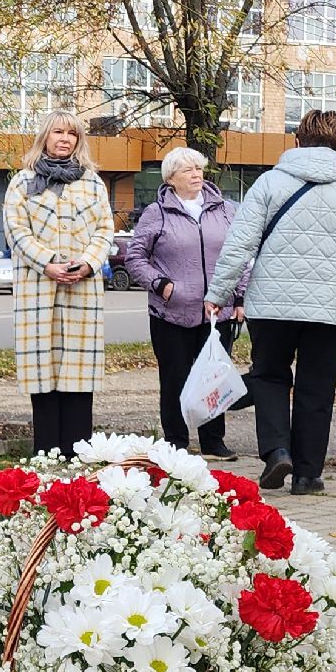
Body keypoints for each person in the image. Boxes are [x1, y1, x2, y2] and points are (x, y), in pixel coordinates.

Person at [207, 110, 336, 494]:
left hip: (270, 306)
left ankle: (276, 450)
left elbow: (239, 244)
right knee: (316, 388)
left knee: (269, 376)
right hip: (330, 309)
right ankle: (307, 474)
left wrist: (217, 294)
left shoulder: (269, 184)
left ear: (297, 141)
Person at [3, 110, 114, 458]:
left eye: (72, 134)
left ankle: (79, 458)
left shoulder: (93, 182)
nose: (64, 139)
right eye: (58, 132)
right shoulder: (22, 182)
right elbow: (15, 230)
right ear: (44, 137)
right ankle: (46, 458)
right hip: (39, 291)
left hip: (82, 291)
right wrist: (47, 263)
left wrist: (88, 263)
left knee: (78, 380)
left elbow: (105, 229)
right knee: (45, 377)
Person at [122, 145, 241, 460]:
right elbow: (134, 256)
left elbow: (242, 256)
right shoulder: (156, 213)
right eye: (188, 170)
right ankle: (176, 441)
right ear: (170, 178)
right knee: (174, 378)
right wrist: (161, 285)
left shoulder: (227, 210)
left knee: (213, 378)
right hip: (170, 313)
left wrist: (239, 295)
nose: (196, 174)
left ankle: (213, 441)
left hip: (217, 312)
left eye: (199, 168)